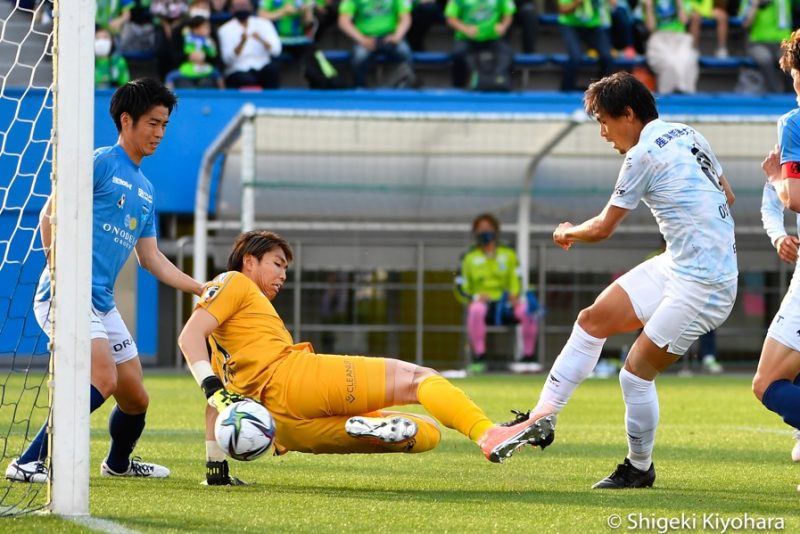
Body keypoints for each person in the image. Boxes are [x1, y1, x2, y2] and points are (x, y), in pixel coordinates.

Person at [178, 230, 554, 485]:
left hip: (284, 430)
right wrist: (213, 387)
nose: (283, 276)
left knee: (429, 434)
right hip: (293, 379)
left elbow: (215, 407)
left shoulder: (225, 341)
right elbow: (187, 336)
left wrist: (216, 468)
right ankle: (487, 434)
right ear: (248, 260)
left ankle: (366, 428)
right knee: (420, 380)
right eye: (278, 264)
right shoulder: (234, 282)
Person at [518, 71, 737, 489]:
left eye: (603, 120)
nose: (603, 132)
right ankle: (542, 416)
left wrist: (567, 231)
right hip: (680, 264)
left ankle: (639, 468)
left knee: (634, 374)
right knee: (592, 319)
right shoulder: (688, 132)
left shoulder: (640, 155)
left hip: (705, 284)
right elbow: (726, 194)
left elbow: (602, 228)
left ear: (629, 114)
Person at [5, 78, 205, 484]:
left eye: (164, 125)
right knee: (103, 378)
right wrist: (61, 276)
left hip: (101, 302)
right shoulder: (99, 162)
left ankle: (118, 464)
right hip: (64, 295)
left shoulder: (146, 190)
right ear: (126, 120)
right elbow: (49, 216)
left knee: (135, 398)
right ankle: (28, 461)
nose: (159, 133)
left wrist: (201, 288)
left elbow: (151, 259)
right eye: (152, 123)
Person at [755, 28, 800, 469]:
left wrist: (774, 178)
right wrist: (777, 233)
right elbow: (776, 205)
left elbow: (789, 195)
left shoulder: (793, 122)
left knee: (767, 383)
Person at [454, 213, 540, 373]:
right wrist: (475, 297)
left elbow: (518, 278)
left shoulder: (509, 254)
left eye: (488, 228)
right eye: (481, 229)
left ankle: (528, 357)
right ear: (475, 233)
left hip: (506, 305)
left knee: (528, 310)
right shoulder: (468, 257)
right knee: (475, 309)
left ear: (495, 231)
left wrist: (515, 294)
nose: (485, 232)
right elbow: (460, 287)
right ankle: (479, 357)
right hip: (483, 306)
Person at [337, 0, 414, 88]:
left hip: (391, 36)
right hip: (365, 37)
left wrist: (397, 36)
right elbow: (343, 21)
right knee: (359, 57)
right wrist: (362, 39)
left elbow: (406, 18)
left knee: (405, 52)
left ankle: (406, 88)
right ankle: (359, 89)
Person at [444, 0, 515, 89]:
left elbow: (508, 13)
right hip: (467, 39)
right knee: (458, 54)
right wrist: (465, 29)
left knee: (508, 53)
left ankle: (503, 84)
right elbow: (450, 18)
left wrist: (503, 26)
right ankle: (458, 87)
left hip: (492, 38)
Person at [218, 0, 283, 88]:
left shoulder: (264, 24)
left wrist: (262, 40)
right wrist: (241, 43)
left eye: (244, 5)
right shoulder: (224, 30)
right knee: (246, 80)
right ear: (231, 9)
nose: (242, 8)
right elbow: (227, 60)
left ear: (251, 6)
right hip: (238, 69)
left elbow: (276, 51)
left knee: (272, 72)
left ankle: (272, 102)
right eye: (238, 6)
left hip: (262, 65)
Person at [557, 0, 615, 92]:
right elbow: (563, 10)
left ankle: (602, 91)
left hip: (593, 25)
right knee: (575, 57)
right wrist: (577, 2)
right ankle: (566, 90)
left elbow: (612, 5)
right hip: (570, 24)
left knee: (607, 57)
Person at [643, 0, 698, 94]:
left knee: (687, 60)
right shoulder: (648, 2)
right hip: (659, 38)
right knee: (669, 62)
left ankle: (686, 95)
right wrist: (649, 7)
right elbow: (651, 28)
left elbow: (684, 20)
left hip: (680, 38)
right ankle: (667, 96)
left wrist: (679, 3)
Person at [739, 0, 792, 94]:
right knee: (765, 58)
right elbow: (745, 24)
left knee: (790, 58)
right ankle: (774, 93)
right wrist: (755, 5)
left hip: (782, 42)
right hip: (758, 43)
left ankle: (792, 93)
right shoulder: (748, 1)